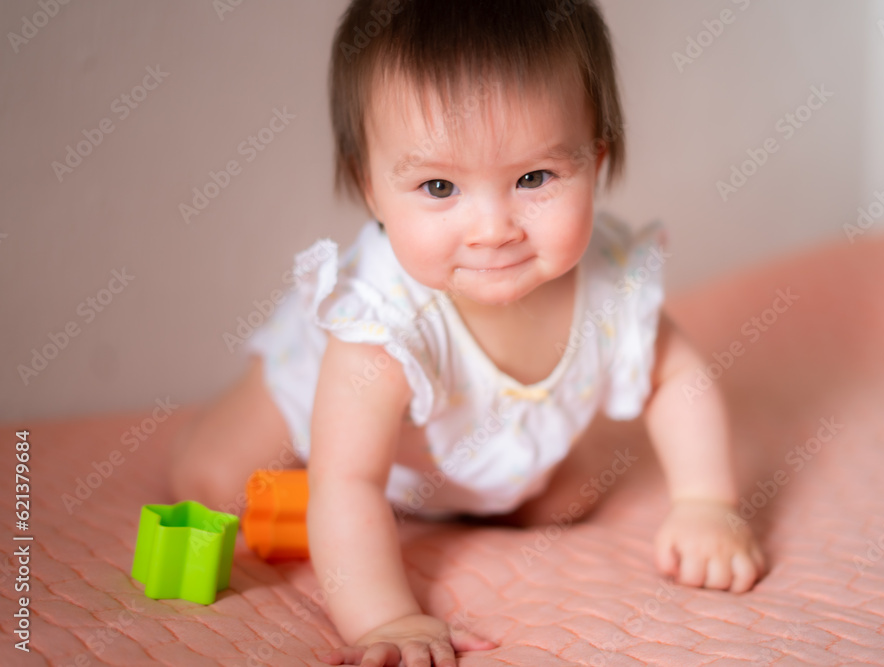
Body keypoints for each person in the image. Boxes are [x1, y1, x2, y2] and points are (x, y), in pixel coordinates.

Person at [170, 1, 766, 664]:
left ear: (595, 161)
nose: (492, 229)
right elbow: (350, 482)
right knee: (215, 479)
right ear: (371, 187)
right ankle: (267, 455)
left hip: (470, 450)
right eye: (438, 186)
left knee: (569, 497)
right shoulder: (380, 329)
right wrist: (385, 619)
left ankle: (457, 494)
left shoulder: (606, 283)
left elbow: (677, 377)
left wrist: (707, 503)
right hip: (337, 427)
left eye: (533, 178)